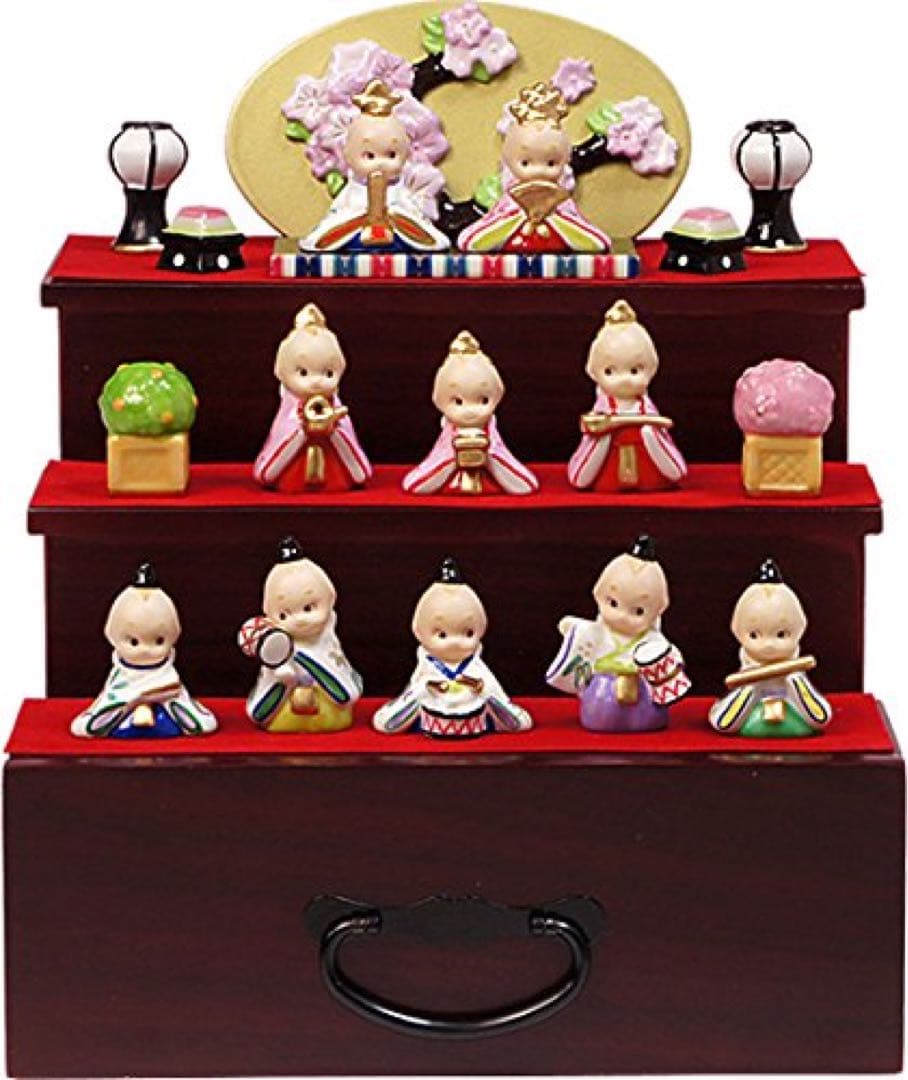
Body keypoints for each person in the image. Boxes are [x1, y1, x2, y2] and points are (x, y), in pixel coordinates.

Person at [373, 558, 532, 738]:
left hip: (474, 723)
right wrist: (427, 688)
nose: (455, 642)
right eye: (442, 635)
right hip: (433, 722)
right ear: (418, 631)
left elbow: (506, 708)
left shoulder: (477, 668)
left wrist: (482, 689)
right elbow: (401, 707)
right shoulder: (425, 669)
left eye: (468, 633)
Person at [546, 536, 689, 732]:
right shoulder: (598, 632)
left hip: (641, 689)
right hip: (604, 685)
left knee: (647, 711)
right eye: (613, 603)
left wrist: (671, 660)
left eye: (638, 611)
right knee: (601, 707)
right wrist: (572, 628)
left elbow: (667, 655)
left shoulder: (651, 640)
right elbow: (586, 635)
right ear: (598, 593)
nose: (622, 616)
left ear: (658, 610)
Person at [458, 81, 609, 253]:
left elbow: (597, 242)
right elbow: (471, 242)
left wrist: (553, 217)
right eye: (525, 163)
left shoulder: (562, 203)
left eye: (551, 163)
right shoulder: (509, 202)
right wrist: (519, 216)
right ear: (509, 160)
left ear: (565, 160)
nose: (539, 170)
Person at [301, 79, 449, 253]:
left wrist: (394, 214)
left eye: (391, 155)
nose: (380, 163)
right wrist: (362, 216)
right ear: (348, 155)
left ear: (405, 155)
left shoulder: (400, 191)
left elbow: (413, 214)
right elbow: (338, 214)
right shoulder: (352, 191)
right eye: (369, 156)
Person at [71, 563, 217, 738]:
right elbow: (83, 727)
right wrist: (136, 698)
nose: (145, 650)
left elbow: (205, 724)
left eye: (159, 641)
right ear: (112, 635)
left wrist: (160, 695)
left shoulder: (169, 678)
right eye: (133, 642)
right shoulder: (119, 681)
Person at [239, 537, 362, 733]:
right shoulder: (276, 648)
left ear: (330, 598)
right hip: (287, 714)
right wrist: (282, 679)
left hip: (327, 712)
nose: (299, 620)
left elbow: (347, 693)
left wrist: (304, 661)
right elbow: (257, 712)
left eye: (308, 608)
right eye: (283, 615)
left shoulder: (327, 643)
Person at [568, 299, 686, 491]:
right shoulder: (598, 417)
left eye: (634, 370)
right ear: (593, 372)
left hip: (650, 480)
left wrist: (650, 435)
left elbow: (677, 471)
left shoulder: (650, 417)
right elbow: (579, 478)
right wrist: (603, 435)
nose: (624, 380)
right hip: (608, 481)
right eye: (609, 371)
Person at [403, 330, 538, 496]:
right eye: (458, 402)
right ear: (439, 401)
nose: (471, 411)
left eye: (483, 400)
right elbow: (413, 485)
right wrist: (455, 458)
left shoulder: (493, 441)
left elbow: (527, 486)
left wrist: (487, 457)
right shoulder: (447, 441)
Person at [254, 303, 372, 492]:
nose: (316, 381)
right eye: (303, 373)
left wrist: (333, 431)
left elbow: (361, 473)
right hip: (292, 481)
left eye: (328, 373)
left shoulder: (338, 413)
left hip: (335, 481)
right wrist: (302, 431)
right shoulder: (289, 415)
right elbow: (266, 473)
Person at [709, 559, 832, 737]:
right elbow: (723, 724)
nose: (768, 645)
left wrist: (795, 683)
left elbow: (821, 718)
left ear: (800, 629)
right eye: (754, 635)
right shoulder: (745, 675)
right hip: (752, 710)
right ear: (737, 631)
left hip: (792, 711)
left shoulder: (795, 672)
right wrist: (750, 687)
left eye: (781, 635)